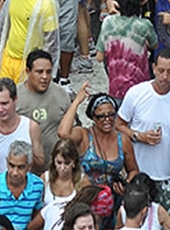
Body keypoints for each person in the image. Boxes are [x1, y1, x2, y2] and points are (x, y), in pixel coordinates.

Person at [114, 51, 170, 217]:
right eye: (161, 70)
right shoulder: (136, 93)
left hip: (168, 176)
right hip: (139, 174)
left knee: (166, 222)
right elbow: (118, 125)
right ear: (153, 68)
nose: (164, 76)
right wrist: (138, 136)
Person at [58, 86, 138, 229]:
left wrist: (125, 183)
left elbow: (133, 170)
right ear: (93, 117)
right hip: (86, 202)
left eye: (111, 115)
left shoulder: (123, 141)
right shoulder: (84, 135)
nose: (107, 120)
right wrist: (76, 102)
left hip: (113, 203)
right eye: (101, 116)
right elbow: (63, 133)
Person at [95, 0, 157, 100]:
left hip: (116, 85)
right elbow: (154, 45)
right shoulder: (144, 25)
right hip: (140, 86)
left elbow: (99, 57)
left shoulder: (108, 22)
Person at [15, 51, 70, 163]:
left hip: (56, 167)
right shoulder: (14, 97)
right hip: (24, 168)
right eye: (39, 72)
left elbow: (71, 130)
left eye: (48, 72)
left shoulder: (62, 94)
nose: (45, 77)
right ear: (28, 72)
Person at [0, 79, 45, 175]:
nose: (0, 109)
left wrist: (27, 155)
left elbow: (41, 164)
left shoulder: (31, 127)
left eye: (5, 104)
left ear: (15, 99)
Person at [0, 140, 43, 230]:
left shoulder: (37, 185)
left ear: (29, 166)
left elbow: (36, 213)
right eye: (11, 166)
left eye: (20, 167)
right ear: (7, 162)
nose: (15, 172)